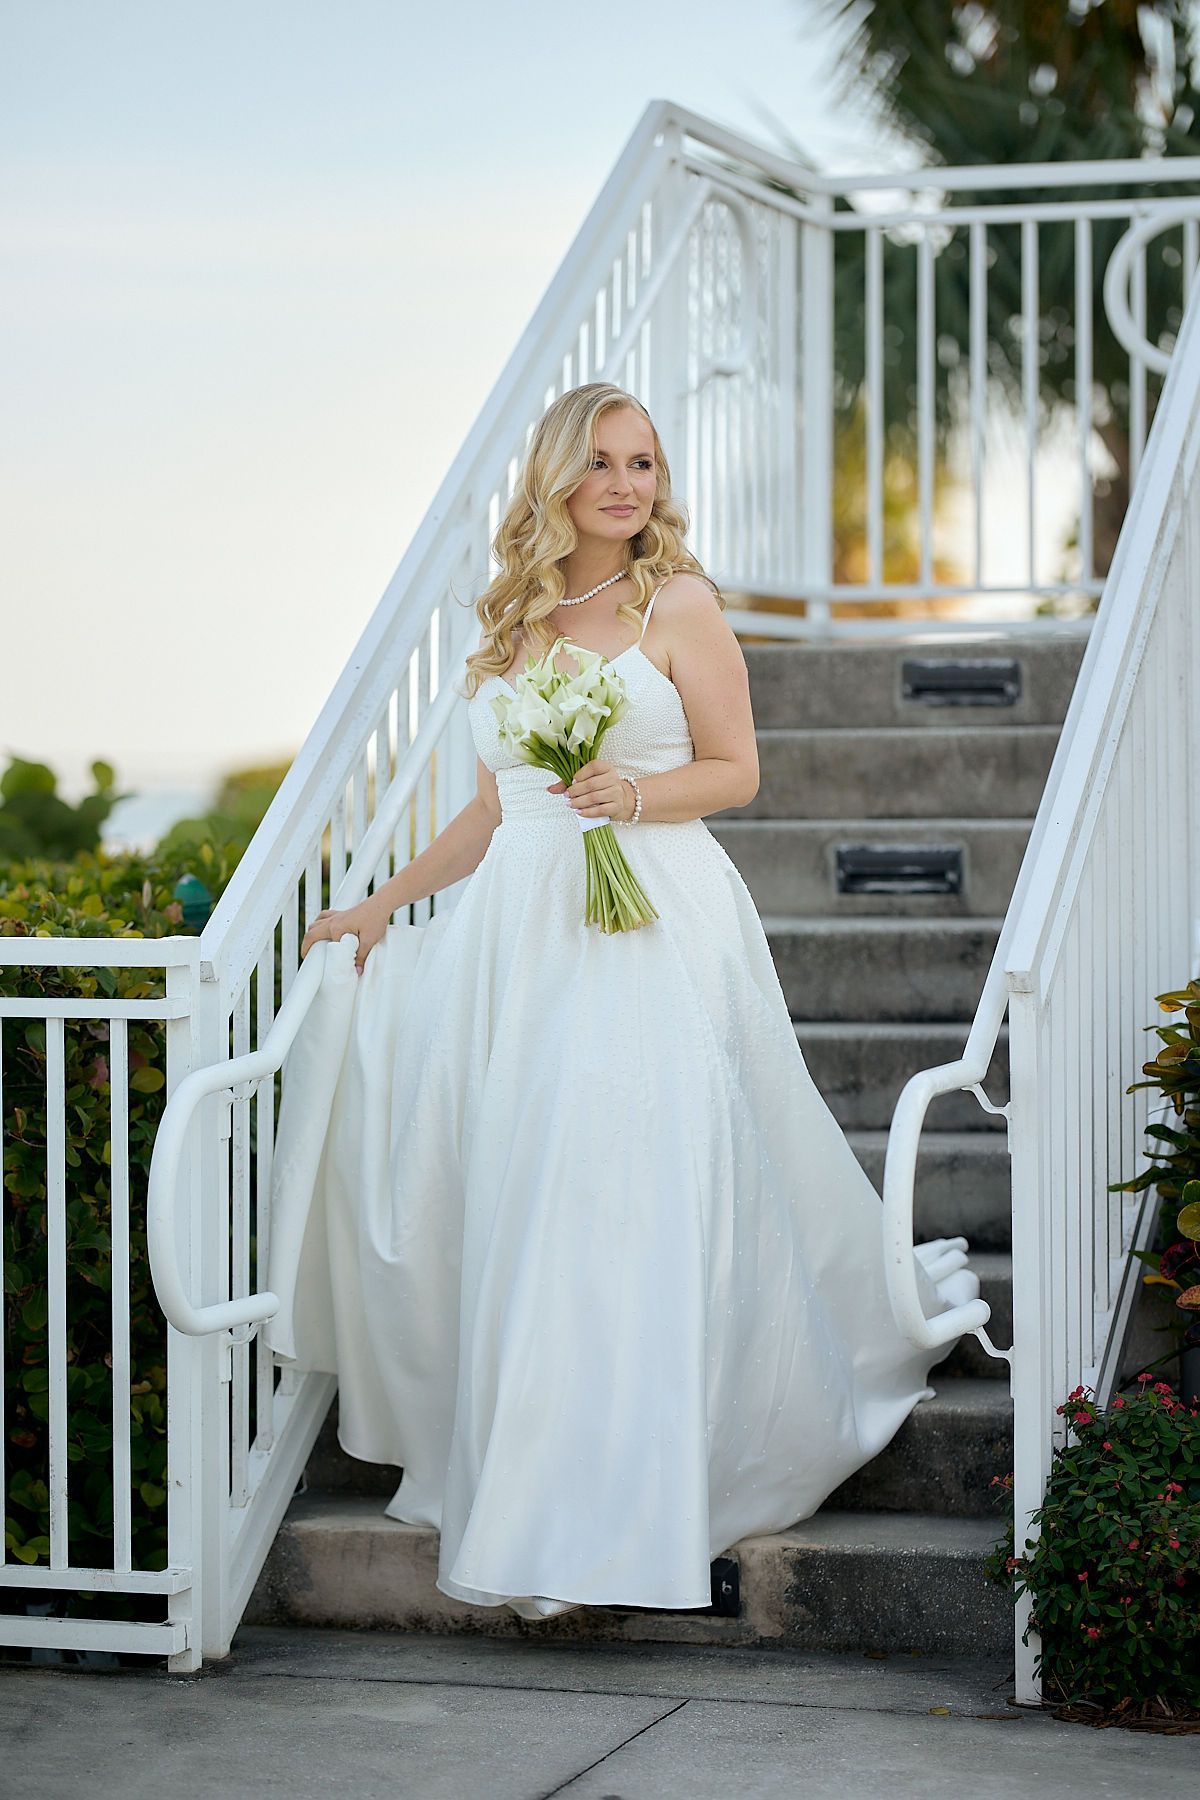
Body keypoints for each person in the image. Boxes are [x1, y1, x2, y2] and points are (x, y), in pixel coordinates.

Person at [281, 380, 980, 1621]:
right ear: (556, 480)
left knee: (620, 1189)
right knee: (534, 1190)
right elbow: (498, 809)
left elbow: (738, 770)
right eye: (601, 462)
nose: (624, 483)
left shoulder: (681, 603)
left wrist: (630, 798)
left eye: (642, 462)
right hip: (523, 936)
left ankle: (621, 1508)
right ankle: (543, 1493)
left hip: (651, 917)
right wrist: (382, 904)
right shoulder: (513, 623)